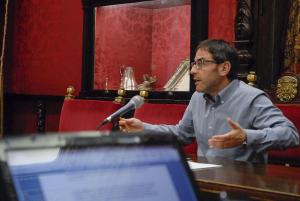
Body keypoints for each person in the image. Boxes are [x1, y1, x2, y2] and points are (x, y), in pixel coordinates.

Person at [119, 39, 299, 164]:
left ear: (224, 68)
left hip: (243, 187)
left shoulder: (252, 98)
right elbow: (181, 134)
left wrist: (246, 137)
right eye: (193, 64)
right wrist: (145, 128)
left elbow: (290, 134)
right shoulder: (198, 97)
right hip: (205, 183)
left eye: (201, 63)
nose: (192, 71)